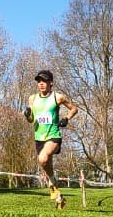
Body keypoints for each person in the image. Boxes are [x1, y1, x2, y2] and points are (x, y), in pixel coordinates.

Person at [24, 69, 78, 209]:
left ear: (51, 83)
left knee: (42, 158)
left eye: (44, 81)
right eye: (39, 81)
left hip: (53, 136)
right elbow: (31, 120)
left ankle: (52, 182)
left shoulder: (57, 97)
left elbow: (74, 109)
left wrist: (66, 118)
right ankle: (58, 195)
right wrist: (27, 115)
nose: (41, 84)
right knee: (45, 164)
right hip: (39, 138)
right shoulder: (32, 99)